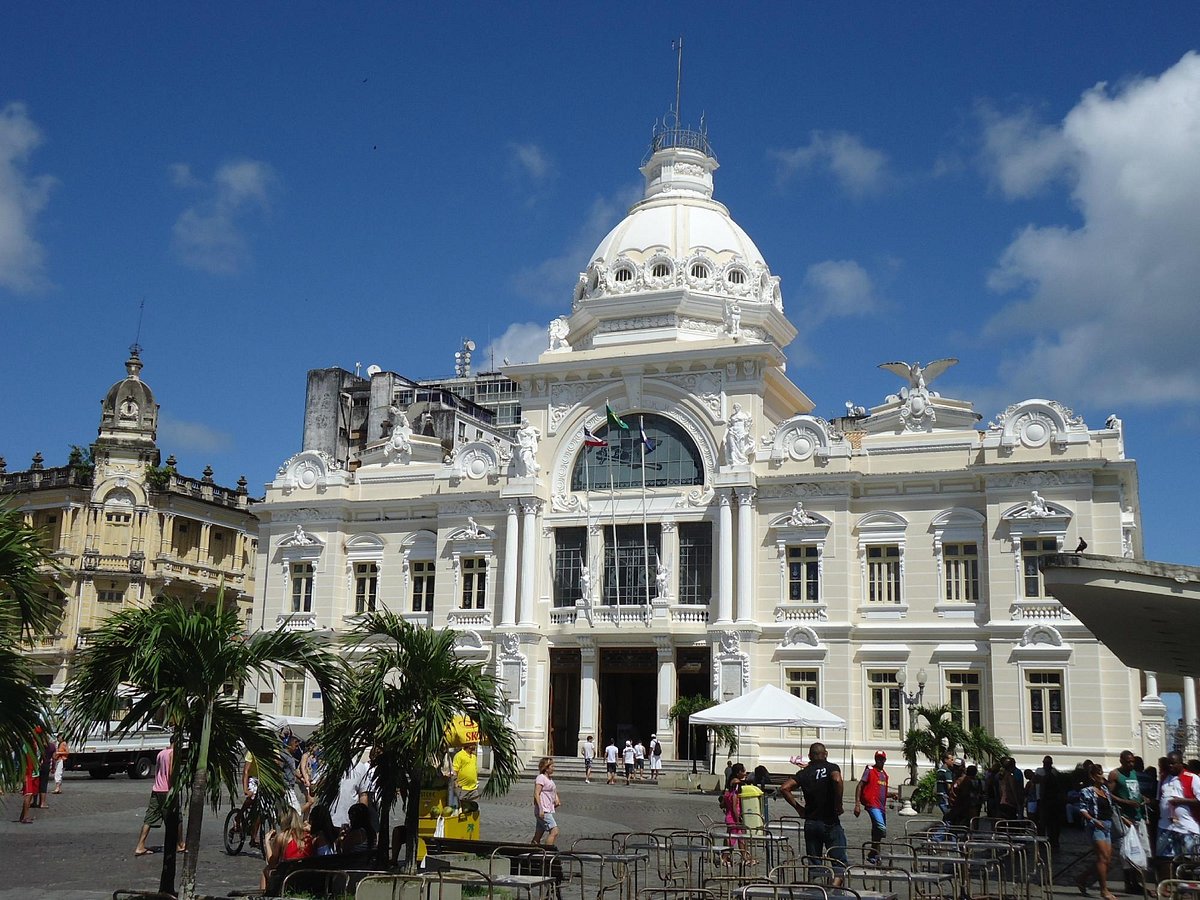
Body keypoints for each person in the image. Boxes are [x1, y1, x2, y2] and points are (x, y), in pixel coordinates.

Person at [779, 742, 848, 876]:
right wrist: (838, 804)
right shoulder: (831, 767)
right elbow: (837, 780)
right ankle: (836, 890)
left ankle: (817, 891)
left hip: (811, 822)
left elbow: (784, 788)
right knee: (839, 863)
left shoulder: (804, 773)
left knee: (814, 864)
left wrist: (798, 808)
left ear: (809, 756)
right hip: (830, 820)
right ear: (826, 754)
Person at [1078, 763, 1130, 899]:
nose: (1102, 776)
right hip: (1096, 826)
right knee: (1102, 857)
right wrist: (1094, 821)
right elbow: (1082, 809)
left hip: (1107, 824)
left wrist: (1122, 818)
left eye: (1102, 773)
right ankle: (1104, 889)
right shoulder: (1086, 791)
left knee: (1107, 859)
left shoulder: (1105, 790)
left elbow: (1111, 807)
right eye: (1099, 774)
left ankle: (1082, 878)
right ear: (1092, 776)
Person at [1109, 750, 1151, 893]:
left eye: (1132, 761)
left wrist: (1142, 798)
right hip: (1125, 818)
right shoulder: (1115, 775)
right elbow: (1109, 795)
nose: (1131, 764)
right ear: (1121, 761)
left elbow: (1134, 791)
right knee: (1127, 851)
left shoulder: (1134, 773)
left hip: (1138, 816)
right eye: (1128, 762)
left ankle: (1139, 882)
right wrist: (1126, 802)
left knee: (1143, 850)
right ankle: (1129, 883)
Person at [135, 735, 183, 856]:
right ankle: (180, 844)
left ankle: (140, 845)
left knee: (149, 818)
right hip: (167, 790)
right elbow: (172, 773)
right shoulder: (173, 754)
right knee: (176, 818)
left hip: (156, 789)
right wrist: (175, 788)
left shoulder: (161, 753)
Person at [1155, 750, 1200, 881]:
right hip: (1166, 827)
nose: (1170, 766)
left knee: (1189, 860)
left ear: (1181, 763)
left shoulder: (1192, 778)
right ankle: (1167, 887)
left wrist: (1180, 801)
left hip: (1187, 828)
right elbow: (1159, 799)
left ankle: (1187, 888)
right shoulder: (1163, 778)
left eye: (1173, 763)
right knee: (1165, 858)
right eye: (1169, 763)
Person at [854, 751, 895, 864]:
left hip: (881, 807)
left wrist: (891, 795)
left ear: (884, 760)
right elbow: (860, 786)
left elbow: (881, 791)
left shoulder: (885, 775)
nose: (879, 761)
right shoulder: (870, 770)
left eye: (881, 759)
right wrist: (857, 804)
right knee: (881, 828)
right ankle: (874, 852)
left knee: (878, 831)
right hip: (871, 804)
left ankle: (874, 854)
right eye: (878, 759)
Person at [261, 807, 311, 890]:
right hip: (307, 875)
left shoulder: (283, 837)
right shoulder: (308, 835)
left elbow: (272, 862)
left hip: (288, 877)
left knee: (266, 870)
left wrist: (267, 842)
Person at [720, 763, 748, 866]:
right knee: (731, 839)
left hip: (730, 817)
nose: (745, 772)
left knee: (740, 838)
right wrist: (738, 820)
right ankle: (724, 858)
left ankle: (745, 858)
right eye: (743, 771)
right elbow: (735, 809)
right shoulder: (734, 794)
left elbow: (722, 805)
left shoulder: (728, 794)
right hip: (733, 818)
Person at [532, 757, 560, 846]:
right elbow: (536, 793)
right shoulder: (541, 778)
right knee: (554, 831)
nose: (553, 768)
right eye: (552, 766)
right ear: (546, 768)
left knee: (538, 835)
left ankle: (532, 850)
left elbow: (552, 790)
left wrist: (556, 799)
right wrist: (540, 808)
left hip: (547, 809)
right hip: (543, 810)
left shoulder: (549, 779)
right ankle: (547, 851)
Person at [450, 740, 481, 814]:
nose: (475, 746)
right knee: (462, 810)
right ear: (469, 745)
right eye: (474, 744)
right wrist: (455, 782)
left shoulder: (474, 757)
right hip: (463, 788)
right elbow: (455, 770)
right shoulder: (459, 755)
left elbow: (475, 769)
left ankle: (472, 824)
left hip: (473, 788)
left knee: (475, 808)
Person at [36, 730, 54, 809]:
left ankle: (34, 801)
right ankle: (42, 802)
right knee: (43, 784)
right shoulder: (52, 746)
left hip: (37, 765)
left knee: (36, 783)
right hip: (46, 765)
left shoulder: (38, 745)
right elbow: (54, 758)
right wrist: (53, 767)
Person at [934, 752, 955, 819]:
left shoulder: (940, 770)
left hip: (940, 796)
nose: (953, 761)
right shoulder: (947, 771)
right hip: (945, 796)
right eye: (951, 759)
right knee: (949, 817)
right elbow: (949, 787)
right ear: (946, 760)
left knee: (946, 817)